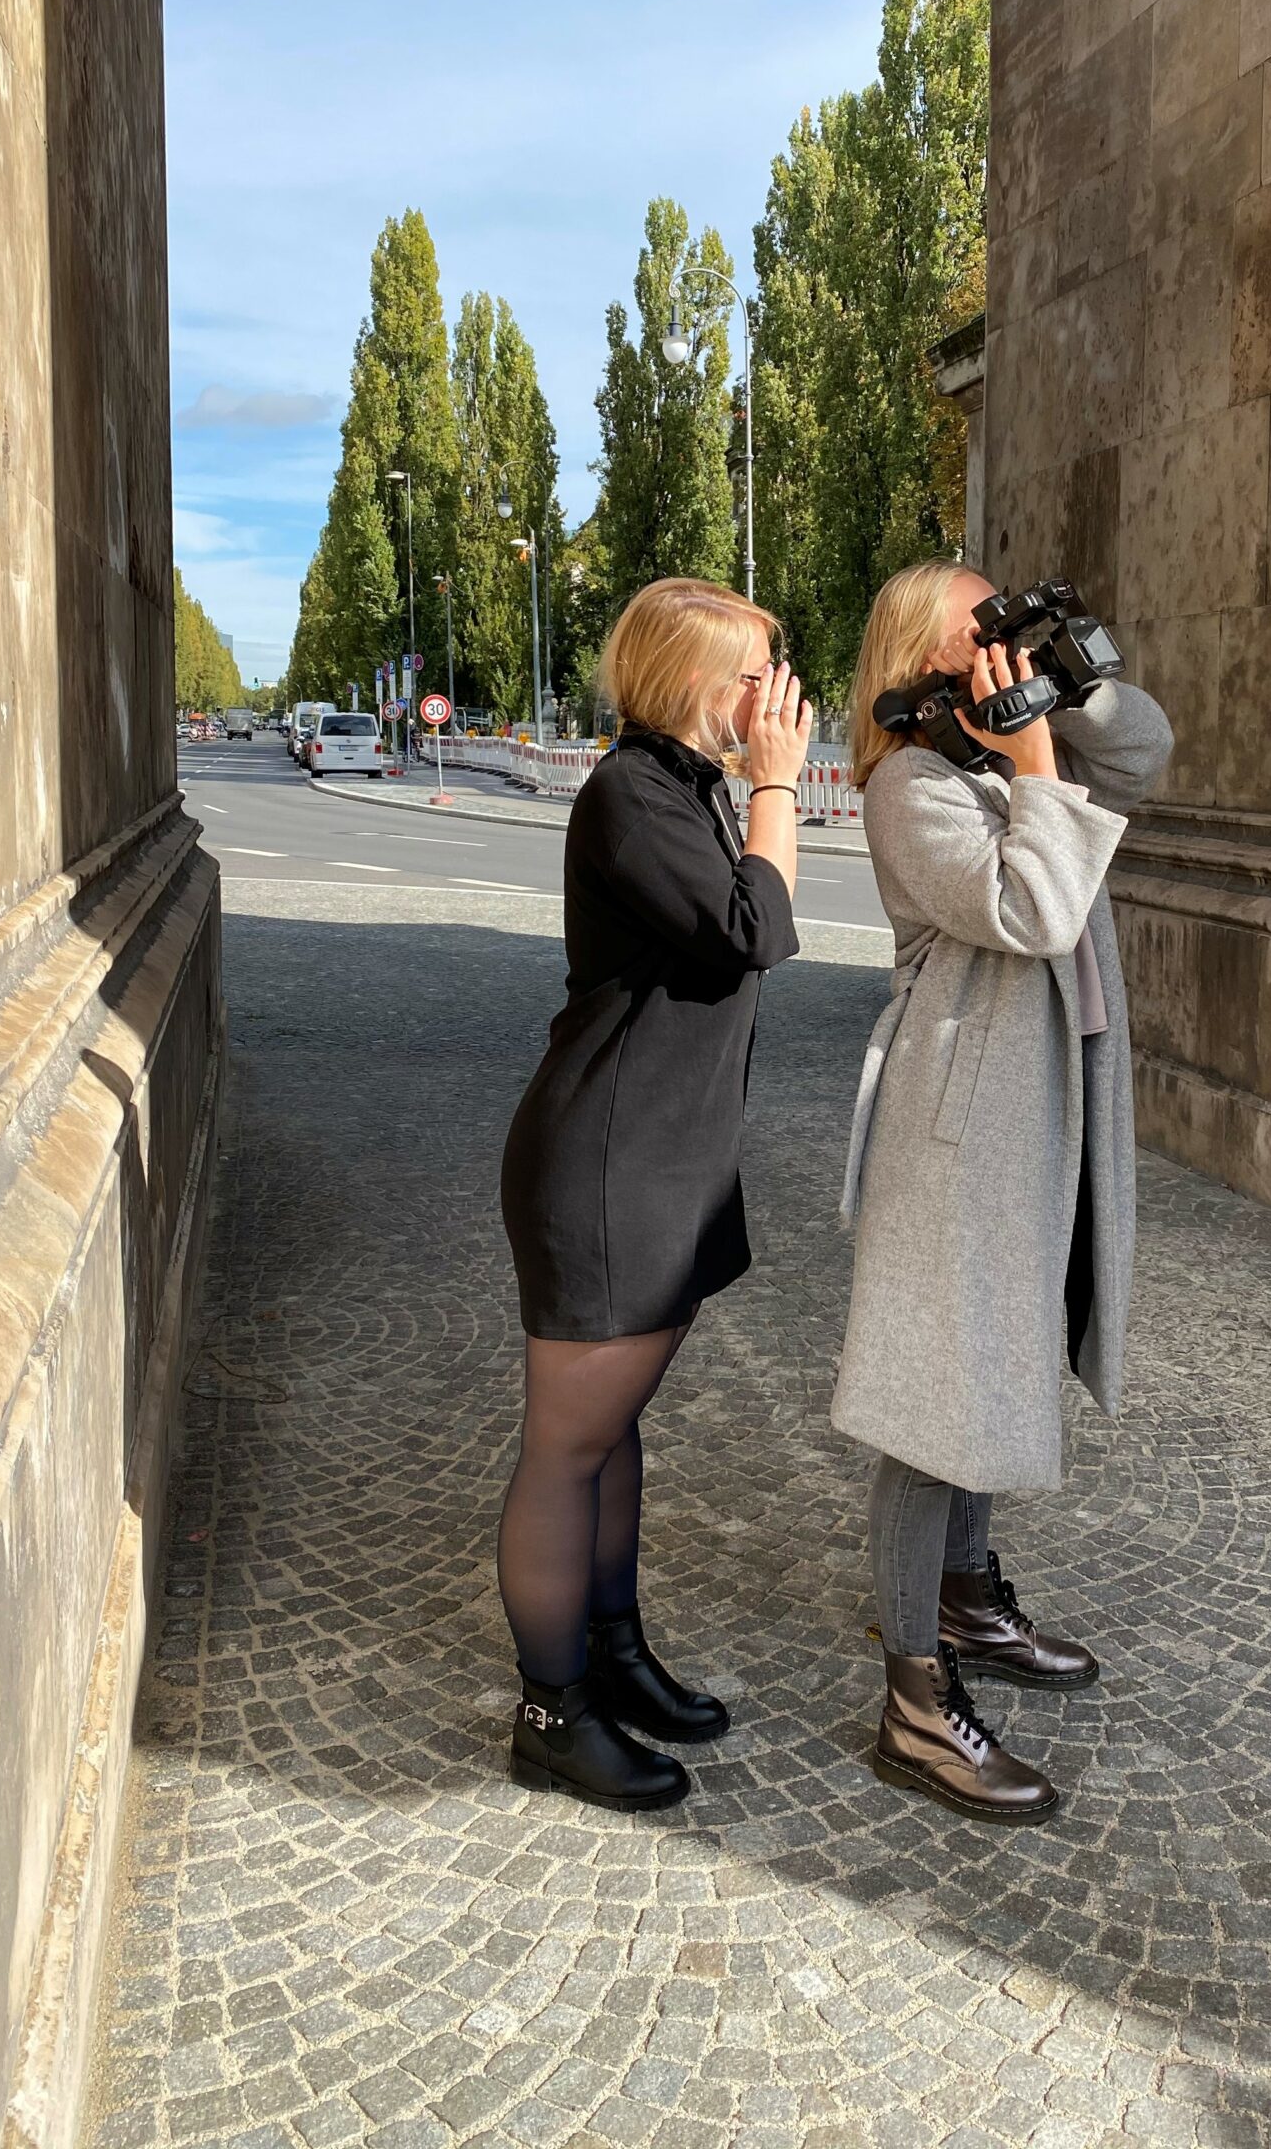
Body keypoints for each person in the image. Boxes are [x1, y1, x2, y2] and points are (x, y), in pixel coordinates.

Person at [834, 559, 1173, 1819]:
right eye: (979, 633)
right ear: (923, 656)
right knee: (936, 1402)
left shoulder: (999, 751)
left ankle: (966, 1599)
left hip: (1038, 1110)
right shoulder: (911, 784)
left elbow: (1144, 756)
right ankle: (915, 1707)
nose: (1001, 650)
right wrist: (1032, 762)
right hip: (960, 1128)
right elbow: (1034, 906)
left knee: (995, 1358)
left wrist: (1065, 692)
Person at [498, 578, 815, 1811]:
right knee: (567, 1446)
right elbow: (756, 927)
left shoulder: (682, 786)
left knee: (610, 1433)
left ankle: (614, 1654)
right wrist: (783, 782)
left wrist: (758, 782)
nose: (773, 698)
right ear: (693, 680)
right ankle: (550, 1705)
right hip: (609, 1168)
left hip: (660, 1160)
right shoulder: (631, 792)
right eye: (753, 674)